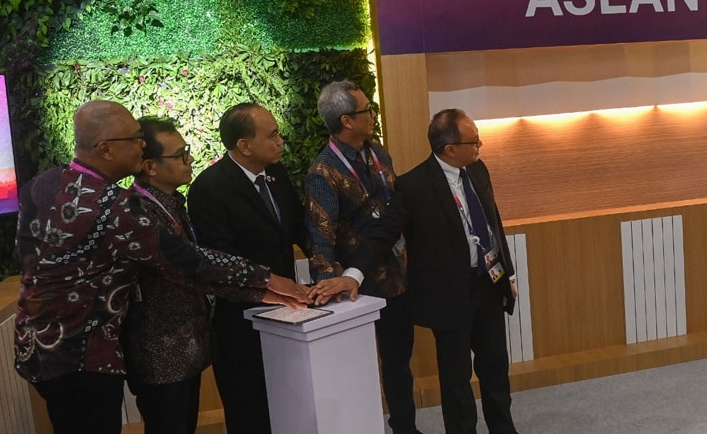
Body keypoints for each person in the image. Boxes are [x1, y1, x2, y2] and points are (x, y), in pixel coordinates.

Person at [13, 100, 311, 434]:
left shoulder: (43, 183)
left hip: (37, 348)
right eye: (134, 139)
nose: (142, 146)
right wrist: (267, 280)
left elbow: (26, 259)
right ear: (105, 149)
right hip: (83, 357)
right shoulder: (115, 207)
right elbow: (189, 261)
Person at [315, 108, 520, 434]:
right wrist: (353, 274)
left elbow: (492, 224)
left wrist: (507, 276)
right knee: (456, 378)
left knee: (495, 367)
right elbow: (382, 234)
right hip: (448, 295)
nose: (479, 146)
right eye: (474, 141)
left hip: (488, 285)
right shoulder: (414, 186)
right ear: (449, 148)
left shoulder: (478, 169)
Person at [124, 116, 298, 434]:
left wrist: (266, 290)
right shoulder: (139, 212)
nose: (190, 159)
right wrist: (266, 281)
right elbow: (198, 264)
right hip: (161, 355)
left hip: (185, 350)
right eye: (181, 154)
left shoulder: (171, 203)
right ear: (150, 167)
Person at [187, 102, 310, 434]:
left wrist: (329, 266)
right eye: (272, 135)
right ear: (244, 145)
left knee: (290, 405)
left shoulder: (277, 174)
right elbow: (220, 259)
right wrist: (269, 284)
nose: (280, 141)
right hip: (241, 321)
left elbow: (300, 227)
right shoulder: (209, 188)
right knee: (250, 411)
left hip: (287, 313)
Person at [306, 81, 421, 434]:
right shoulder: (323, 172)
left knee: (399, 362)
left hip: (397, 276)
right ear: (346, 120)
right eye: (366, 110)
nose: (373, 115)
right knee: (357, 368)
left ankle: (405, 427)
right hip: (356, 286)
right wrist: (329, 288)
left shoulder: (378, 153)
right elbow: (320, 235)